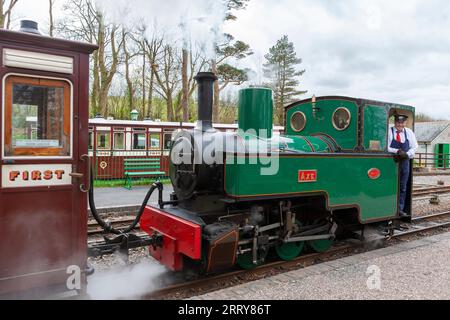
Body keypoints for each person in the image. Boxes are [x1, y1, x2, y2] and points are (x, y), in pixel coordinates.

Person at [388, 114, 418, 217]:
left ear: (404, 123)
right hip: (391, 161)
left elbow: (414, 147)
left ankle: (400, 208)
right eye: (398, 122)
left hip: (405, 161)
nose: (400, 124)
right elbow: (385, 147)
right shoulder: (389, 131)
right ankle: (389, 207)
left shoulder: (409, 132)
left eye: (402, 123)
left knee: (403, 186)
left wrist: (407, 154)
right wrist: (397, 150)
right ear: (395, 122)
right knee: (390, 185)